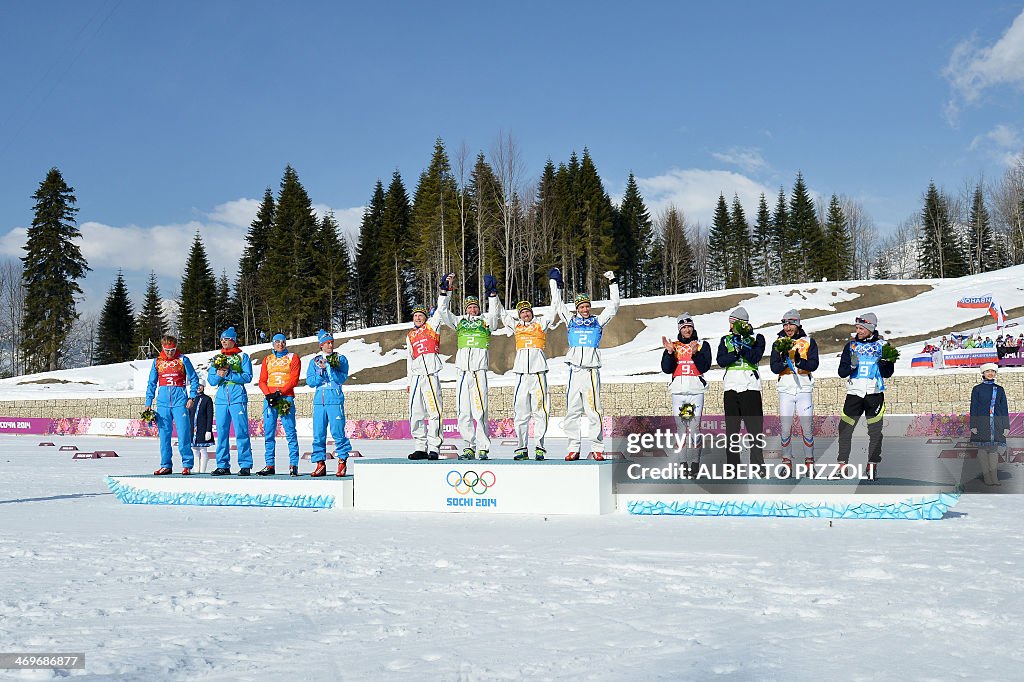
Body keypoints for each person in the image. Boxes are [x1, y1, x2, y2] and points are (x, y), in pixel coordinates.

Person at [550, 268, 619, 460]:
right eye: (581, 307)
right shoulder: (570, 321)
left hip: (590, 371)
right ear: (577, 308)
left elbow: (614, 306)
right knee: (572, 411)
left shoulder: (597, 322)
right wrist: (554, 282)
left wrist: (613, 283)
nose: (585, 309)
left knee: (593, 410)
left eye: (587, 306)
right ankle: (573, 447)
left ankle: (597, 448)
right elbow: (558, 305)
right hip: (574, 371)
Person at [436, 274, 500, 460]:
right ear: (466, 309)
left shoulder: (485, 321)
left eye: (475, 306)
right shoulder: (460, 322)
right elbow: (442, 311)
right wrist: (445, 292)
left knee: (480, 409)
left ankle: (483, 447)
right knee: (463, 411)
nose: (472, 309)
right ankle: (469, 446)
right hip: (463, 371)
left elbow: (495, 317)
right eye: (470, 307)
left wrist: (493, 296)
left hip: (479, 370)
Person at [495, 286, 562, 461]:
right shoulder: (516, 326)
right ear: (519, 315)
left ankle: (539, 446)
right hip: (521, 375)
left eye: (528, 311)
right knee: (520, 412)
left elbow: (554, 307)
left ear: (532, 313)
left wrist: (555, 286)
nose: (526, 314)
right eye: (522, 312)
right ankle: (521, 447)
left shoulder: (541, 324)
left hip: (538, 372)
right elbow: (502, 314)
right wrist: (494, 295)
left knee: (540, 411)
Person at [837, 312, 896, 480]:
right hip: (854, 393)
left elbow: (888, 373)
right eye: (857, 328)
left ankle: (871, 466)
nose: (858, 331)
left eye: (861, 328)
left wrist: (884, 363)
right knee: (844, 428)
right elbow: (841, 372)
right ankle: (842, 465)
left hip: (874, 394)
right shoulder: (851, 346)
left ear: (871, 328)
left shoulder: (884, 345)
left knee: (875, 431)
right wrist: (850, 366)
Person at [769, 310, 819, 474]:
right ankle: (787, 461)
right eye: (785, 324)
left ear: (797, 325)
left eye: (791, 324)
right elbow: (774, 367)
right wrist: (785, 362)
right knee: (785, 428)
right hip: (785, 390)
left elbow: (813, 365)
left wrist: (799, 361)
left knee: (807, 428)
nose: (788, 327)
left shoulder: (809, 341)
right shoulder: (778, 342)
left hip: (804, 389)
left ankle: (809, 462)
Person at [660, 312, 712, 473]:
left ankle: (695, 462)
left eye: (689, 326)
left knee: (695, 428)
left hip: (695, 392)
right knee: (682, 429)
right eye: (684, 327)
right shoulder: (673, 345)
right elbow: (666, 369)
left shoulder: (702, 344)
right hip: (679, 393)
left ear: (693, 327)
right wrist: (669, 354)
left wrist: (695, 353)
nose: (687, 330)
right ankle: (683, 464)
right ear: (679, 329)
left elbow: (705, 367)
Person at [716, 306, 766, 469]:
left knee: (755, 430)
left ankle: (758, 466)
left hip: (750, 387)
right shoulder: (725, 339)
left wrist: (742, 345)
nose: (730, 326)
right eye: (730, 322)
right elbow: (721, 360)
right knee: (732, 432)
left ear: (742, 324)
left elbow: (755, 357)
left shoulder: (757, 337)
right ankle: (733, 467)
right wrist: (735, 353)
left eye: (733, 323)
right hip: (731, 388)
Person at [406, 281, 451, 460]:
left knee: (434, 412)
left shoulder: (432, 326)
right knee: (415, 412)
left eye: (421, 315)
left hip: (431, 374)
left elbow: (441, 309)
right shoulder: (410, 335)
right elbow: (409, 360)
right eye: (416, 315)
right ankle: (420, 447)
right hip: (416, 376)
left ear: (425, 317)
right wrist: (408, 382)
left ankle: (434, 447)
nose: (418, 318)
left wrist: (444, 292)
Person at [145, 335, 199, 475]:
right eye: (167, 350)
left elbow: (194, 379)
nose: (170, 353)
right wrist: (148, 403)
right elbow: (151, 383)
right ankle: (166, 465)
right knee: (164, 436)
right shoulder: (157, 362)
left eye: (173, 350)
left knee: (183, 434)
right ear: (163, 348)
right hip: (162, 403)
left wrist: (192, 397)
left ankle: (187, 464)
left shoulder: (183, 360)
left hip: (180, 402)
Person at [207, 327, 254, 476]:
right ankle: (222, 465)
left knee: (241, 431)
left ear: (233, 340)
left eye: (226, 339)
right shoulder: (217, 358)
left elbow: (247, 377)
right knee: (221, 433)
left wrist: (229, 374)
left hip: (237, 397)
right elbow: (211, 380)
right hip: (221, 399)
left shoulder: (242, 356)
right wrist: (219, 374)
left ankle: (245, 464)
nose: (223, 342)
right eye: (221, 339)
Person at [306, 329, 353, 477]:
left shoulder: (340, 358)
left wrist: (330, 369)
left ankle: (342, 461)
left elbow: (341, 378)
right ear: (320, 345)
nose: (330, 345)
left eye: (331, 342)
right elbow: (310, 381)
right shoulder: (314, 361)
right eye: (326, 343)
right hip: (320, 399)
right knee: (318, 433)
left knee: (338, 432)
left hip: (334, 398)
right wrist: (320, 373)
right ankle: (320, 463)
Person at [257, 333, 301, 476]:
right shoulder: (267, 359)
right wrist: (268, 394)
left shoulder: (293, 357)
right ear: (273, 344)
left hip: (285, 398)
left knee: (290, 431)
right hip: (270, 399)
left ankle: (293, 464)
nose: (280, 344)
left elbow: (294, 380)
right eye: (277, 342)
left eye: (283, 342)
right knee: (269, 432)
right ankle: (269, 465)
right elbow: (262, 380)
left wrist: (279, 393)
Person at [970, 362, 1009, 486]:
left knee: (993, 449)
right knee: (982, 449)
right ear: (983, 373)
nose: (990, 373)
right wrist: (973, 425)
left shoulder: (1000, 389)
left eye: (993, 371)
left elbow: (1004, 408)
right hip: (981, 423)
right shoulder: (977, 389)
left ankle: (994, 477)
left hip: (996, 424)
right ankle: (987, 476)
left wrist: (1006, 426)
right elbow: (974, 407)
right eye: (988, 371)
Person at [188, 381, 214, 473]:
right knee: (194, 450)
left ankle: (202, 470)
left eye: (201, 386)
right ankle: (196, 469)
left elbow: (209, 415)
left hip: (202, 428)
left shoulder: (207, 399)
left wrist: (208, 430)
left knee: (203, 450)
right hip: (192, 429)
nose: (199, 387)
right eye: (197, 386)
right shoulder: (191, 399)